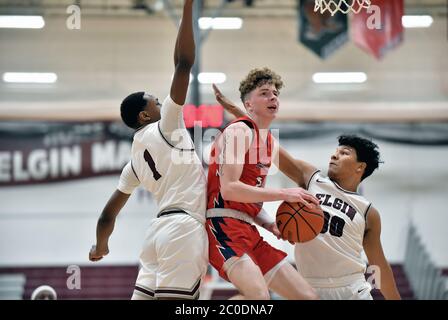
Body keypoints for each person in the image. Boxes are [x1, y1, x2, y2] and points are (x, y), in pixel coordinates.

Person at [213, 85, 401, 300]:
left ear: (360, 167)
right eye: (335, 151)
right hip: (309, 288)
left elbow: (379, 266)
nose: (334, 156)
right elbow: (269, 145)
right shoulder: (312, 178)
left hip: (352, 289)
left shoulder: (368, 212)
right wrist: (240, 113)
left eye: (344, 153)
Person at [89, 0, 208, 300]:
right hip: (183, 230)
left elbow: (107, 215)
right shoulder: (167, 124)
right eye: (155, 100)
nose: (161, 101)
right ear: (145, 115)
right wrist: (187, 7)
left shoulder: (133, 163)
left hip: (156, 234)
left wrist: (100, 246)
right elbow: (183, 64)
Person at [205, 68, 319, 300]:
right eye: (264, 93)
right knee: (258, 297)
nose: (273, 97)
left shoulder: (268, 142)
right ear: (249, 105)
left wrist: (271, 226)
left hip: (249, 230)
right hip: (221, 226)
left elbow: (253, 200)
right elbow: (230, 189)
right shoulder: (239, 131)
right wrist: (284, 193)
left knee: (308, 297)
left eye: (275, 93)